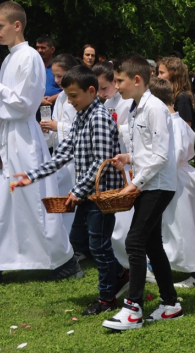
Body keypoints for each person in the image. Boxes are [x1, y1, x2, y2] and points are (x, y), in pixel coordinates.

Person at [14, 65, 129, 313]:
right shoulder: (82, 116)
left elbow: (101, 162)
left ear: (91, 91)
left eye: (74, 95)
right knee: (80, 241)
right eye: (67, 96)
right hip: (86, 194)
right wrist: (32, 175)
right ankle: (119, 274)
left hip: (100, 196)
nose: (70, 101)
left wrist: (77, 191)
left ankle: (107, 300)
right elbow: (64, 152)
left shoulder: (98, 118)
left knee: (99, 246)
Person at [0, 1, 77, 283]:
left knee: (32, 199)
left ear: (16, 25)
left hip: (23, 135)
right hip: (8, 136)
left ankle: (61, 259)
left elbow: (24, 103)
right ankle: (10, 258)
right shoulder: (9, 58)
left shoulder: (30, 56)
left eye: (0, 26)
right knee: (8, 200)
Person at [103, 54, 181, 330]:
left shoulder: (155, 108)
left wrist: (136, 183)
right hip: (151, 183)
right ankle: (171, 303)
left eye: (119, 81)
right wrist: (129, 158)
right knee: (150, 243)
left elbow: (161, 156)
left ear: (137, 80)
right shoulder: (137, 108)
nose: (116, 86)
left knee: (134, 241)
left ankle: (133, 308)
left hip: (158, 185)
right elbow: (147, 151)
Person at [148, 78, 195, 288]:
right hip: (183, 177)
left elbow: (172, 157)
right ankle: (163, 264)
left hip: (176, 180)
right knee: (183, 227)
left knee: (182, 228)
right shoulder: (177, 121)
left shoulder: (172, 124)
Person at [92, 61, 135, 268]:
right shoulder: (106, 104)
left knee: (128, 214)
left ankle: (132, 258)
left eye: (104, 87)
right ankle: (119, 258)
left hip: (129, 159)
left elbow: (133, 130)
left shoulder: (128, 102)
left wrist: (118, 128)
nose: (102, 92)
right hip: (115, 162)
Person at [39, 54, 80, 234]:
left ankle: (74, 239)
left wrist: (58, 126)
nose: (56, 80)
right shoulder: (62, 96)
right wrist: (48, 130)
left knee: (71, 199)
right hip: (60, 154)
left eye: (60, 76)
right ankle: (65, 237)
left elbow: (82, 127)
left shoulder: (77, 94)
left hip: (75, 157)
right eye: (54, 76)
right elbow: (57, 122)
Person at [157, 56, 195, 128]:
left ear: (174, 75)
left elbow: (186, 128)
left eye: (161, 73)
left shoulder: (182, 98)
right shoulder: (170, 95)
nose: (158, 76)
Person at [36, 36, 61, 121]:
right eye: (37, 47)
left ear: (52, 49)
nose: (39, 50)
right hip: (36, 114)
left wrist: (52, 98)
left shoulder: (60, 67)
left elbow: (69, 87)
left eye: (43, 48)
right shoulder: (33, 67)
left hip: (57, 112)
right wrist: (38, 100)